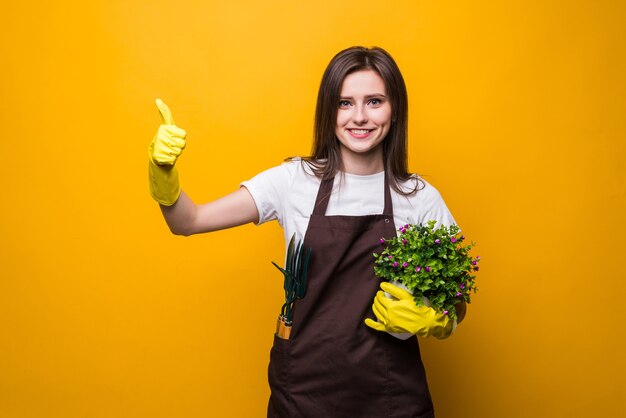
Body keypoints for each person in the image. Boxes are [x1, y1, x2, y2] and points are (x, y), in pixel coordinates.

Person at [148, 46, 466, 418]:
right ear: (327, 111)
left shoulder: (419, 198)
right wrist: (162, 171)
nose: (359, 116)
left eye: (374, 101)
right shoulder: (293, 181)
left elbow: (457, 300)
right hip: (303, 394)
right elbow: (189, 222)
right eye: (344, 103)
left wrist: (439, 319)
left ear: (395, 111)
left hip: (391, 395)